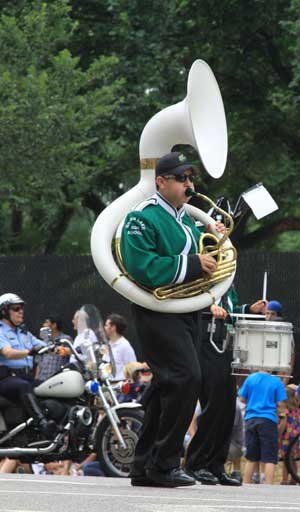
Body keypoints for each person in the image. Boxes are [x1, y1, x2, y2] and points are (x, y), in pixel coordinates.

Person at [120, 151, 220, 488]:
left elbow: (202, 261)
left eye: (190, 178)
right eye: (181, 178)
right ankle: (164, 464)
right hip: (157, 311)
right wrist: (194, 263)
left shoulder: (186, 219)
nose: (188, 184)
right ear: (160, 181)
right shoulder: (143, 216)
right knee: (186, 377)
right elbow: (143, 267)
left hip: (184, 312)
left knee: (167, 386)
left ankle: (144, 464)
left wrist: (215, 241)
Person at [0, 293, 55, 437]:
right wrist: (29, 352)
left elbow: (43, 346)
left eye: (22, 308)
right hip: (7, 378)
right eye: (16, 308)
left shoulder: (24, 333)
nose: (21, 311)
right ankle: (42, 424)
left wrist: (63, 349)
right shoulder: (0, 331)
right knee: (23, 386)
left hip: (26, 376)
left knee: (49, 386)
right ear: (4, 311)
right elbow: (8, 353)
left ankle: (61, 426)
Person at [238, 370, 287, 484]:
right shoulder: (276, 381)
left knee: (251, 457)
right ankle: (268, 485)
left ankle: (246, 483)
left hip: (251, 418)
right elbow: (281, 403)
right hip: (268, 420)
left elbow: (241, 398)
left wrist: (253, 402)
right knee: (269, 457)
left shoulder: (251, 378)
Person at [35, 314, 71, 382]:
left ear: (54, 325)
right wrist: (36, 380)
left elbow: (71, 356)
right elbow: (38, 364)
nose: (43, 325)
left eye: (46, 322)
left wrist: (60, 350)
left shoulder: (65, 340)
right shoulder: (43, 342)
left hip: (58, 381)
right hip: (42, 380)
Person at [102, 314, 137, 381]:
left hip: (120, 386)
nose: (104, 328)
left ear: (113, 328)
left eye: (106, 325)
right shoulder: (107, 344)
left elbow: (133, 368)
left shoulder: (124, 346)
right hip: (108, 385)